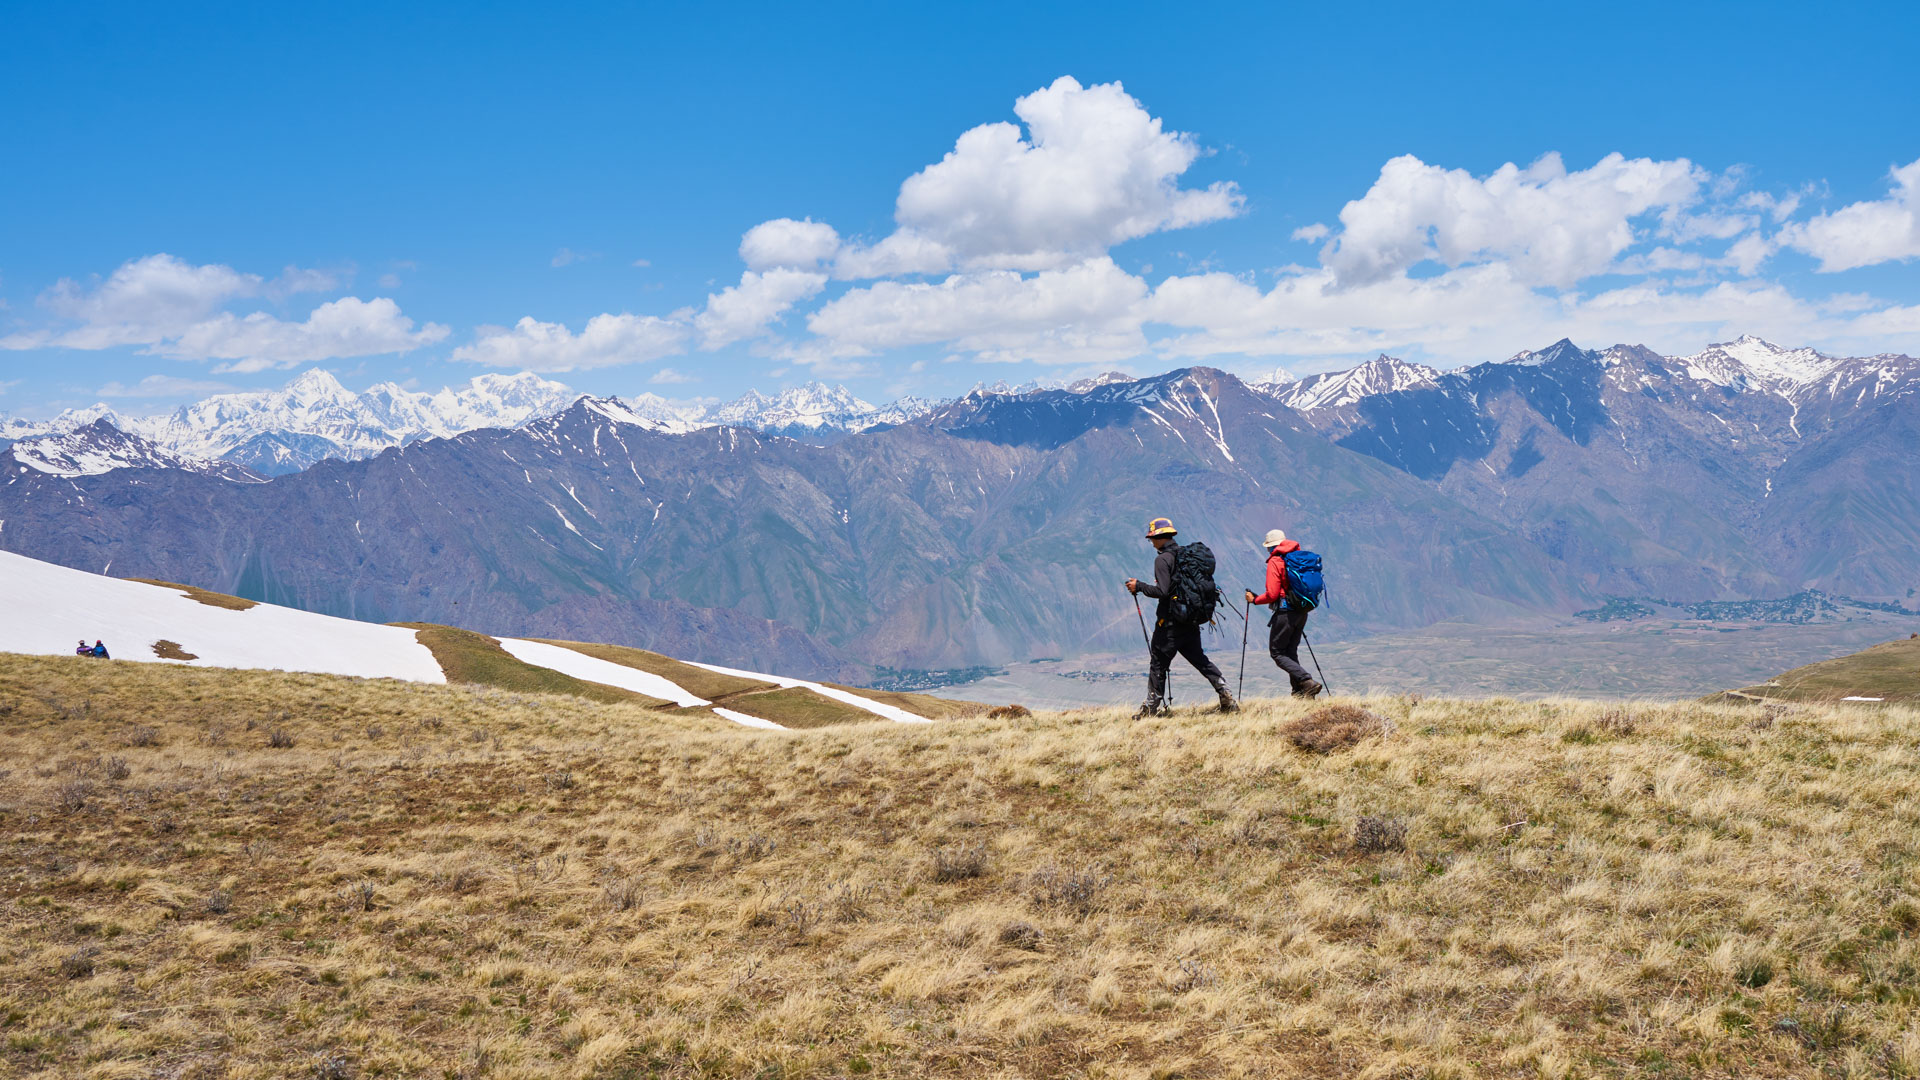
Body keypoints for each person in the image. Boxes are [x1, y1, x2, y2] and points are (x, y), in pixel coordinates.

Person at [1126, 516, 1238, 716]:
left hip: (1169, 623)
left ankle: (1151, 709)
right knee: (1200, 660)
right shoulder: (1186, 556)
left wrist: (1139, 586)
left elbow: (1162, 591)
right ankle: (1226, 695)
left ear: (1160, 537)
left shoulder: (1162, 559)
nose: (1151, 543)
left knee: (1158, 662)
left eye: (1152, 538)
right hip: (1190, 621)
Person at [1245, 528, 1323, 698]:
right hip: (1301, 610)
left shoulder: (1276, 561)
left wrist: (1255, 600)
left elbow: (1273, 594)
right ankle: (1299, 692)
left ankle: (1307, 682)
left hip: (1285, 612)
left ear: (1271, 547)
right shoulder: (1297, 557)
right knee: (1290, 651)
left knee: (1278, 653)